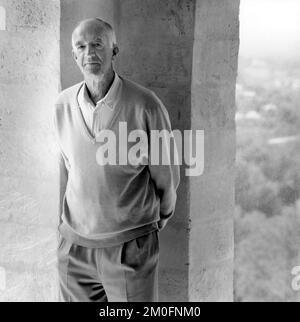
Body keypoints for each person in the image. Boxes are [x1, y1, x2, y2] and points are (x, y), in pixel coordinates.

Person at [52, 17, 180, 302]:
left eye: (98, 44)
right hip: (74, 246)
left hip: (130, 245)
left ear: (114, 50)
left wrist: (158, 219)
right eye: (81, 46)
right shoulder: (61, 105)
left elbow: (166, 175)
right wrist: (62, 232)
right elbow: (66, 170)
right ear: (74, 55)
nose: (90, 53)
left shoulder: (146, 105)